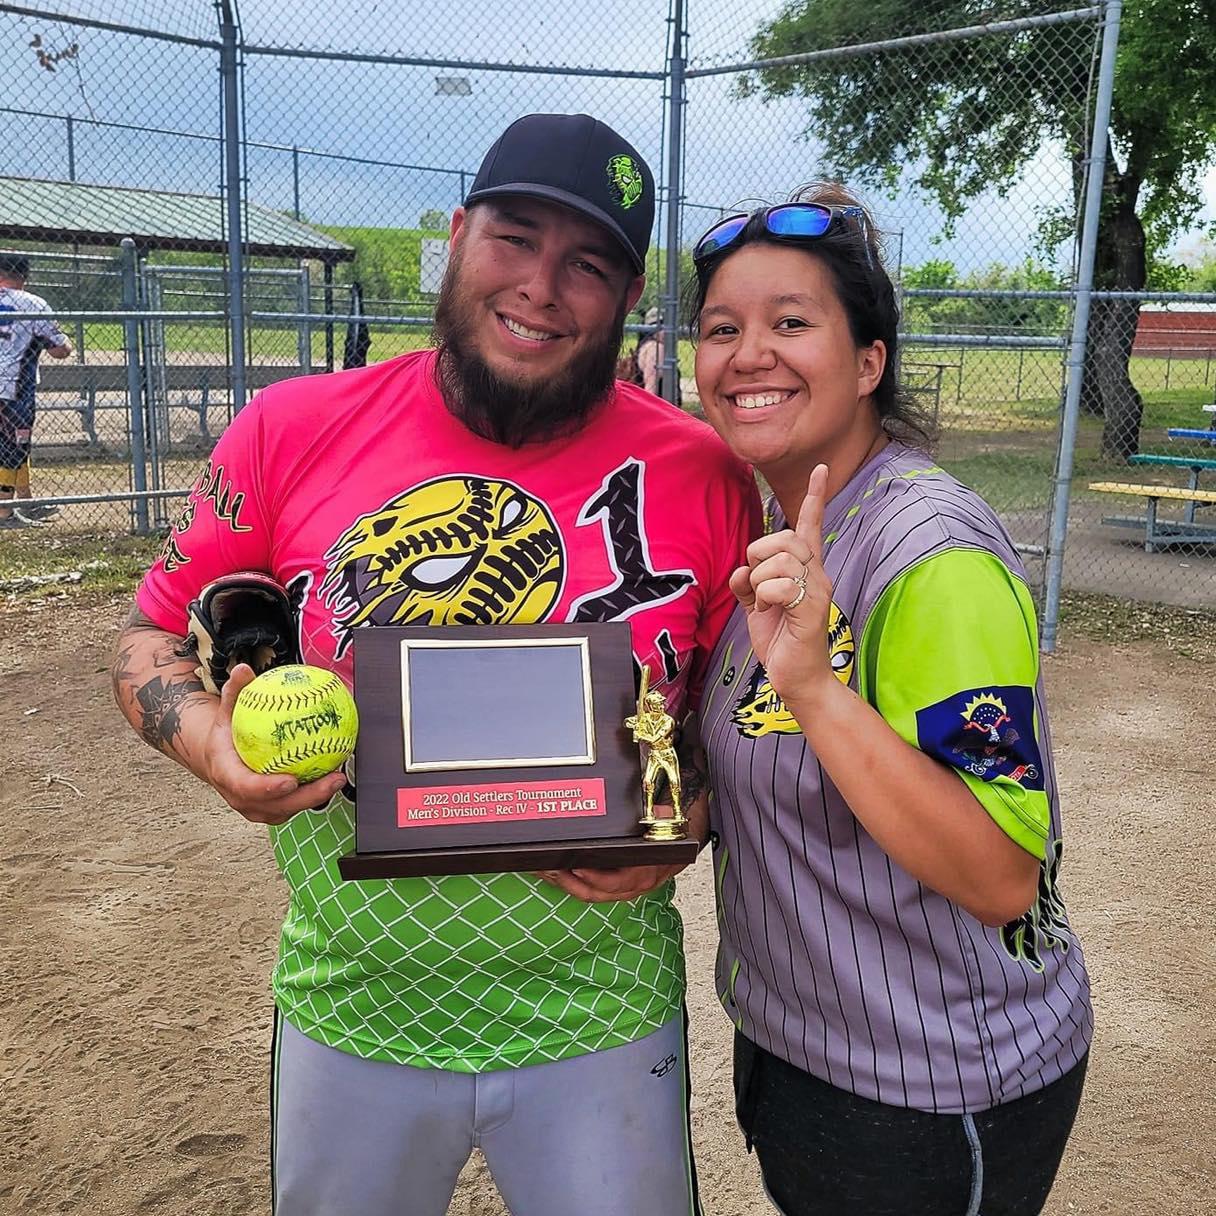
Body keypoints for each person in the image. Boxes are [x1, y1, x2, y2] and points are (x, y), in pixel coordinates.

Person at [111, 113, 759, 1216]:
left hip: (596, 1004)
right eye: (514, 238)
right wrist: (213, 746)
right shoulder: (291, 427)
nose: (543, 287)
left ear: (626, 295)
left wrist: (681, 821)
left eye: (588, 264)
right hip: (353, 1000)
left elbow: (720, 721)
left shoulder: (703, 470)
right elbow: (147, 636)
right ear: (456, 238)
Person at [688, 187, 1093, 1216]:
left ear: (868, 361)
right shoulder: (779, 521)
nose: (748, 354)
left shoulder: (929, 554)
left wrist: (818, 689)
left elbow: (1000, 872)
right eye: (721, 328)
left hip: (932, 1088)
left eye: (791, 322)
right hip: (811, 1054)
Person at [0, 253, 72, 528]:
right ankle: (4, 513)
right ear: (24, 277)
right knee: (12, 446)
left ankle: (25, 501)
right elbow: (59, 350)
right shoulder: (32, 303)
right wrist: (66, 342)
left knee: (14, 445)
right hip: (13, 387)